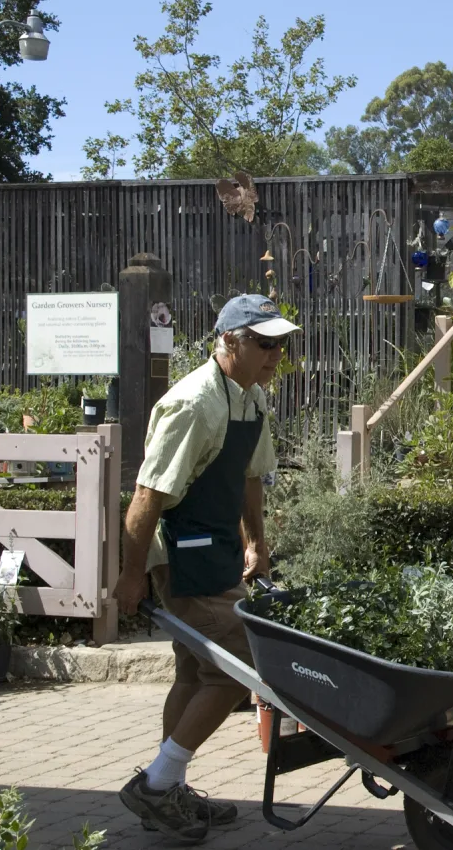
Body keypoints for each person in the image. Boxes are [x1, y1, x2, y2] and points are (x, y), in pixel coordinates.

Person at [114, 294, 300, 842]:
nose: (275, 354)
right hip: (180, 551)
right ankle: (157, 784)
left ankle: (166, 791)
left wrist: (257, 545)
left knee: (195, 672)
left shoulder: (252, 400)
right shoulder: (193, 403)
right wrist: (131, 574)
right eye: (265, 344)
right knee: (238, 661)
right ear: (231, 342)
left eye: (280, 344)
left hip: (218, 548)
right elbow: (148, 493)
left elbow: (249, 477)